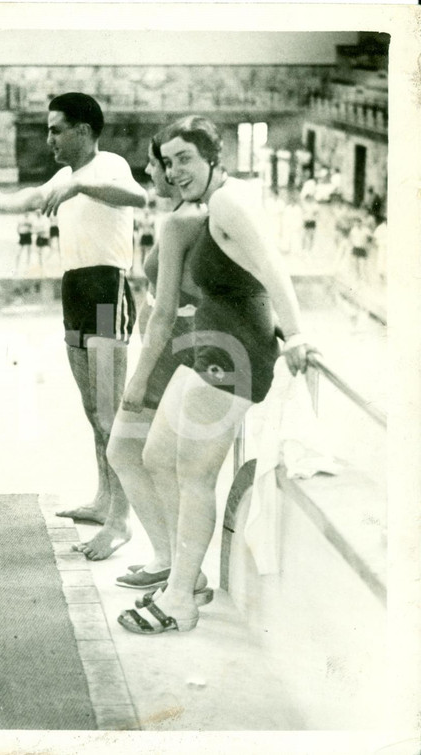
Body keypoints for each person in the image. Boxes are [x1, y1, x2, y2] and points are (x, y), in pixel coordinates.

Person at [115, 116, 312, 635]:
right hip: (211, 349)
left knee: (194, 476)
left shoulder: (228, 203)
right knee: (157, 455)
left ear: (212, 159)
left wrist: (295, 336)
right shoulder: (210, 204)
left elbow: (272, 269)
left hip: (237, 355)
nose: (175, 171)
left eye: (186, 159)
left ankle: (180, 599)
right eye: (169, 161)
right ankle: (185, 573)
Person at [0, 92, 147, 559]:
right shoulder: (66, 175)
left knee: (112, 415)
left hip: (107, 290)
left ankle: (121, 520)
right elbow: (34, 197)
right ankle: (103, 499)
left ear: (83, 131)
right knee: (94, 411)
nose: (48, 138)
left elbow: (140, 196)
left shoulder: (108, 165)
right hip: (74, 291)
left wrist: (82, 188)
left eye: (55, 129)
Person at [106, 135, 205, 593]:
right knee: (144, 455)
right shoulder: (186, 217)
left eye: (153, 165)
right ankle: (170, 559)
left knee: (129, 452)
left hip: (168, 352)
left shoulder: (180, 222)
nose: (149, 173)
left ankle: (173, 561)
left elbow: (167, 310)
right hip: (172, 347)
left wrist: (140, 376)